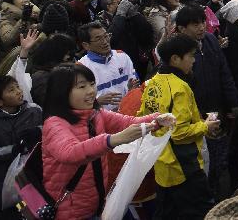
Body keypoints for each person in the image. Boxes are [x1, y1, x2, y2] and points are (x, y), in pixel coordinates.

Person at [41, 63, 171, 220]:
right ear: (62, 92)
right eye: (81, 87)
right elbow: (70, 153)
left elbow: (128, 122)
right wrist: (113, 140)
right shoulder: (54, 123)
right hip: (69, 210)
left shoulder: (95, 114)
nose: (90, 91)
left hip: (95, 203)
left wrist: (156, 119)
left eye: (92, 84)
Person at [140, 33, 220, 219]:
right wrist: (205, 126)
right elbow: (180, 133)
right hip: (183, 164)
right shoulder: (179, 87)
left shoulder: (152, 83)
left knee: (167, 212)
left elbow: (143, 118)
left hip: (161, 162)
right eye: (191, 56)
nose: (194, 60)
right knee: (201, 212)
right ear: (175, 59)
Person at [174, 4, 238, 198]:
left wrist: (233, 103)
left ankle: (219, 195)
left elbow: (224, 72)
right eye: (195, 24)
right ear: (181, 28)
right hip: (195, 116)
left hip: (217, 108)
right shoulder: (177, 52)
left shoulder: (210, 40)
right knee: (202, 160)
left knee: (220, 158)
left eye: (202, 22)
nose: (202, 27)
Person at [0, 74, 42, 214]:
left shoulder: (33, 110)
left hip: (37, 168)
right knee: (16, 206)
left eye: (18, 87)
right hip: (6, 176)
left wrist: (38, 131)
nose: (18, 91)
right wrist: (13, 149)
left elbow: (52, 128)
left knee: (37, 205)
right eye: (11, 90)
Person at [77, 22, 139, 112]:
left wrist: (131, 90)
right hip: (101, 120)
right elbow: (78, 105)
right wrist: (96, 102)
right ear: (86, 45)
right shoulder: (81, 68)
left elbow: (136, 84)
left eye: (106, 36)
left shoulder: (122, 56)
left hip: (129, 113)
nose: (105, 42)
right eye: (98, 39)